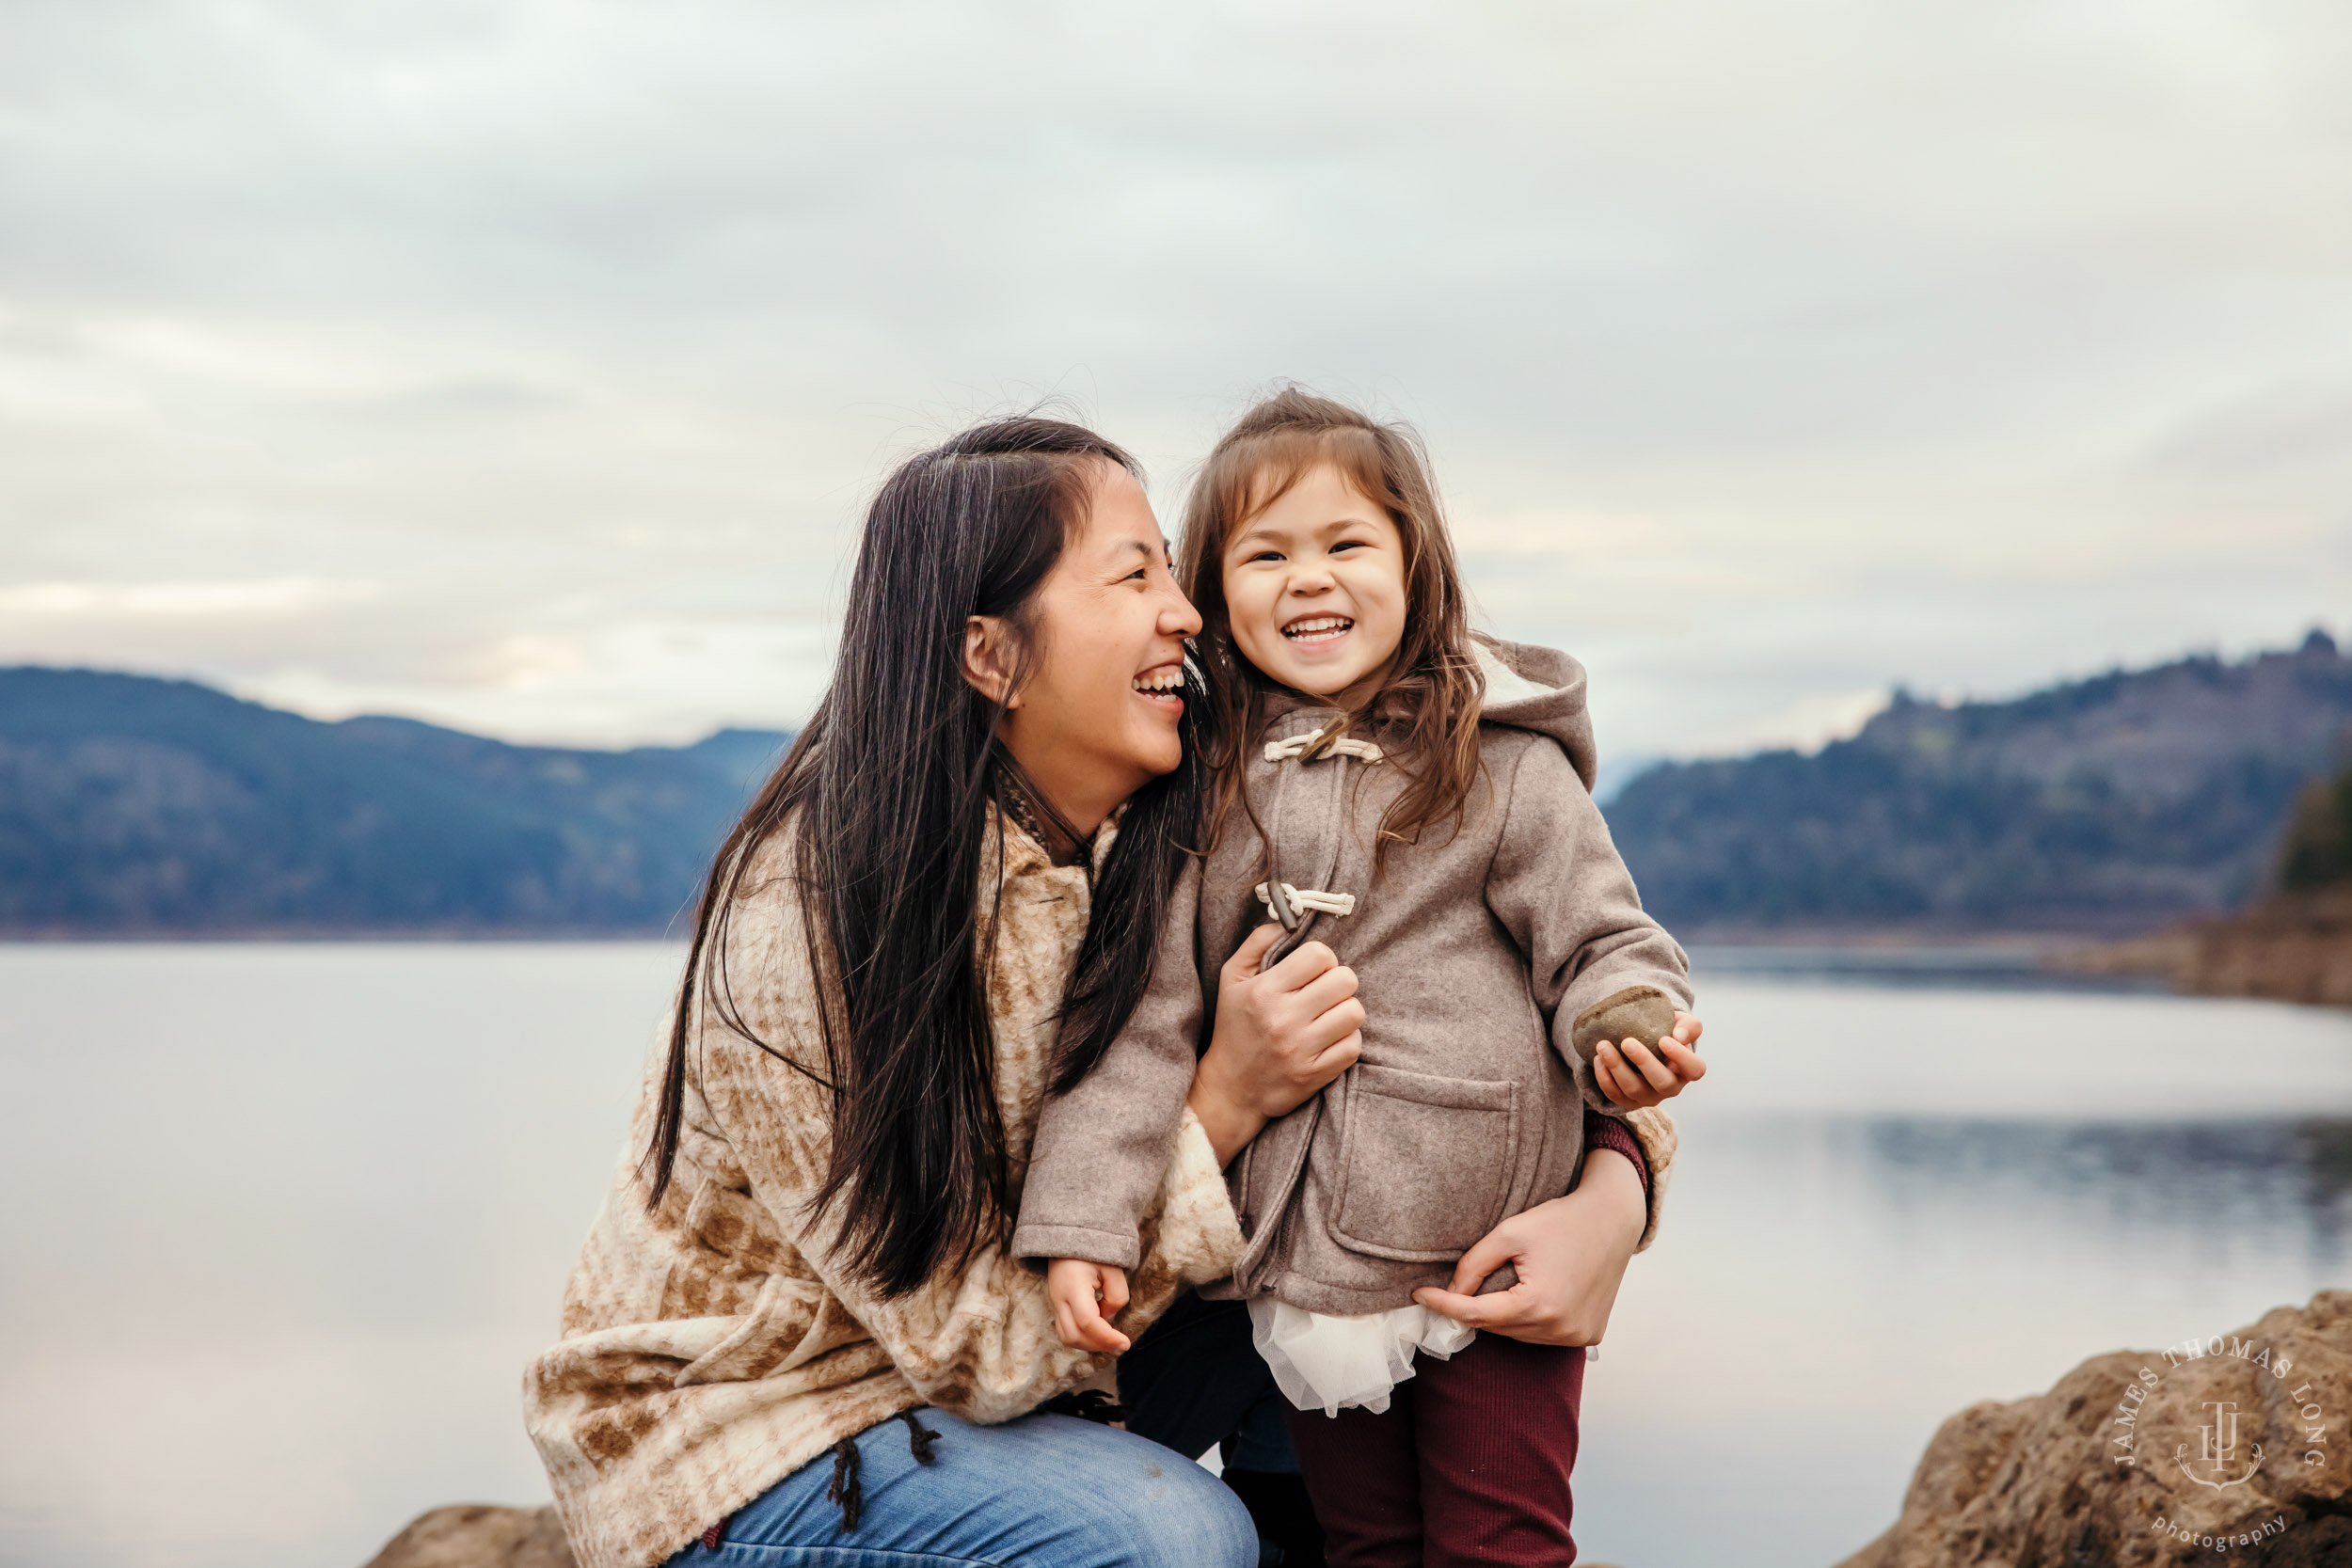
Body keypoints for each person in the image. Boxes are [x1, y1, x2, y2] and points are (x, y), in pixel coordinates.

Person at [523, 419, 1371, 1568]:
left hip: (1010, 1398)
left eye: (1173, 567)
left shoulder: (1168, 837)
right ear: (991, 656)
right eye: (1134, 574)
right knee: (1171, 1539)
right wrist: (1220, 1107)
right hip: (760, 1431)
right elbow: (974, 1348)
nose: (1186, 611)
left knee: (1343, 1301)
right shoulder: (821, 907)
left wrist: (1612, 1186)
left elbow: (1481, 954)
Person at [1014, 388, 1706, 1567]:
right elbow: (1137, 1027)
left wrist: (1622, 1024)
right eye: (1265, 552)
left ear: (1414, 564)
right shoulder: (1206, 793)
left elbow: (1596, 937)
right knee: (1361, 1542)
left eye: (1345, 544)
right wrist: (1081, 1217)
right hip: (1306, 1264)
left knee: (1503, 1542)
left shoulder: (1504, 765)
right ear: (1215, 592)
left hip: (1486, 1235)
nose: (1308, 578)